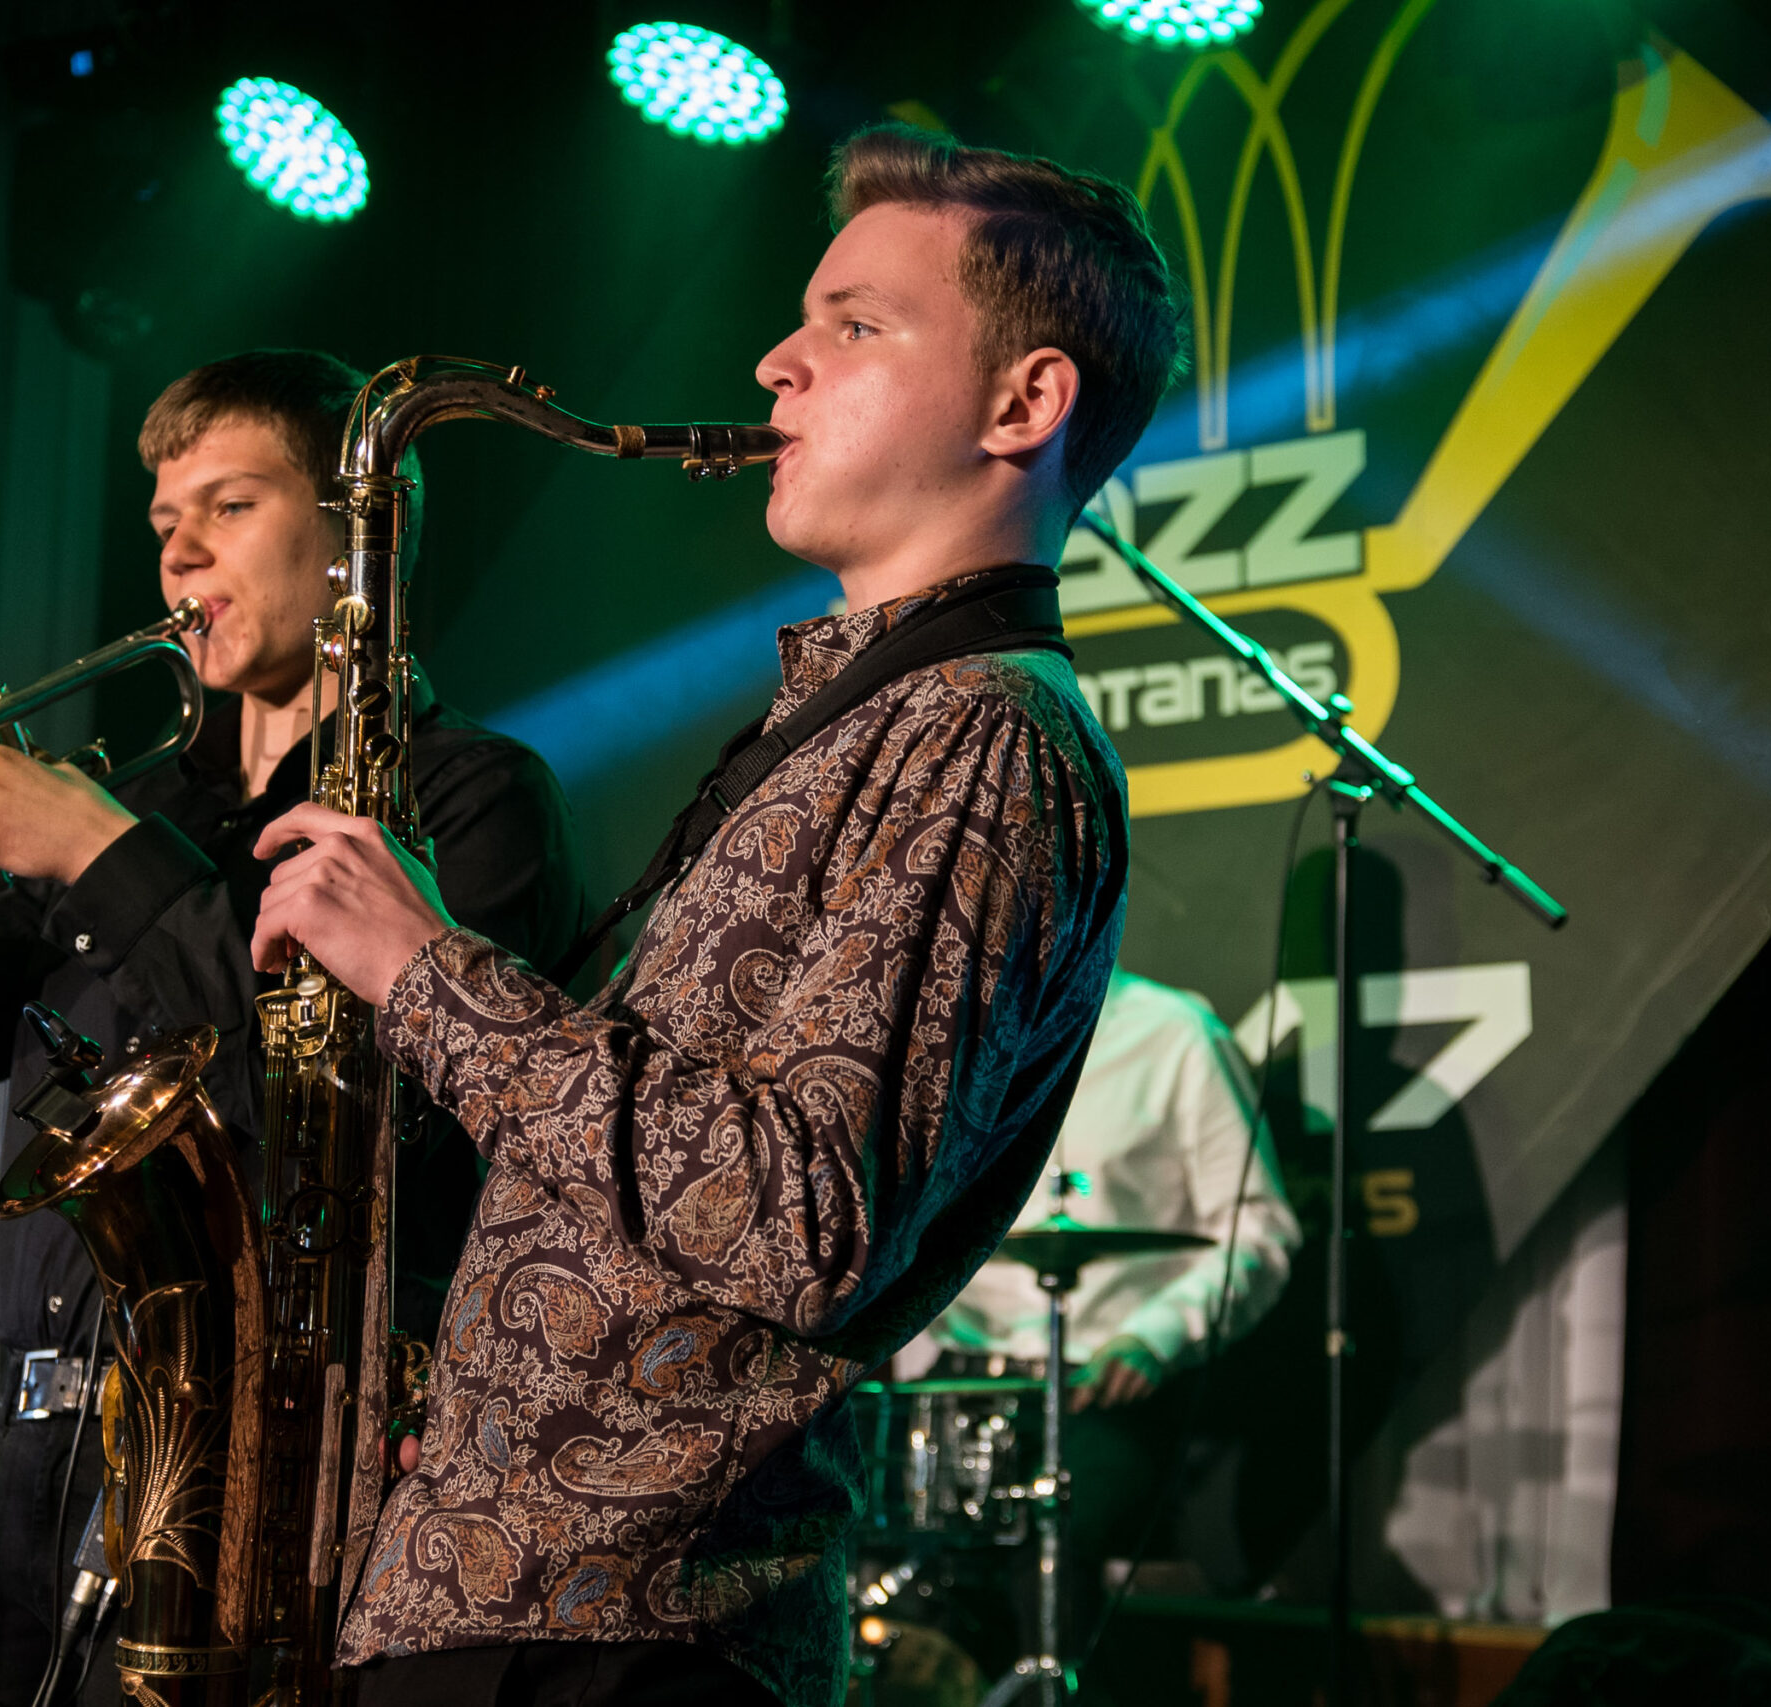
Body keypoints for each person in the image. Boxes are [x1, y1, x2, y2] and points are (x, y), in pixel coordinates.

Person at [246, 125, 1183, 1705]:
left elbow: (799, 1214)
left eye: (854, 325)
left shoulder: (986, 736)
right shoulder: (873, 721)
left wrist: (422, 965)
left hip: (627, 1632)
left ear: (1025, 403)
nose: (774, 364)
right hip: (528, 1597)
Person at [0, 349, 586, 1705]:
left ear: (363, 534)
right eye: (165, 521)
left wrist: (96, 854)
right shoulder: (141, 805)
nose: (180, 554)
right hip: (30, 1468)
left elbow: (365, 1123)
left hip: (271, 1481)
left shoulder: (471, 799)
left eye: (231, 506)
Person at [910, 965, 1301, 1678]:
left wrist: (1158, 1335)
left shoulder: (1176, 1033)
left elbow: (1259, 1232)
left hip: (1104, 1382)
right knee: (876, 1553)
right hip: (960, 1376)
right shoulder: (940, 1031)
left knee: (1059, 1548)